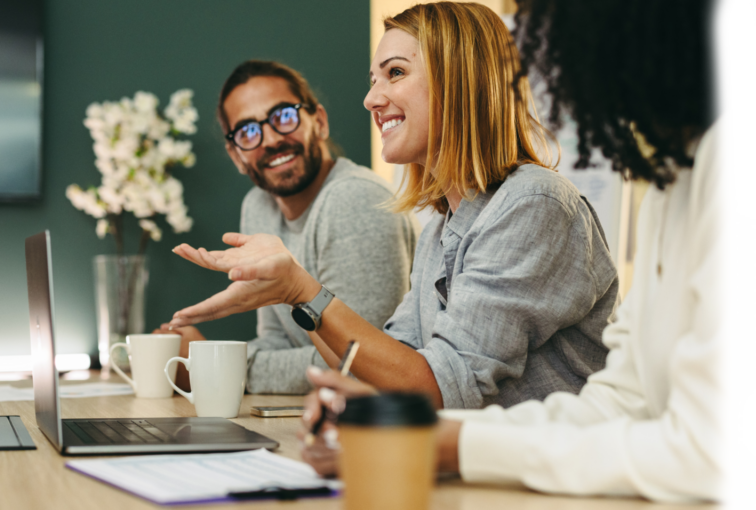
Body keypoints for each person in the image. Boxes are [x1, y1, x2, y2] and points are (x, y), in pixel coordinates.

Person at [300, 0, 754, 503]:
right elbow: (621, 401)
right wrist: (414, 431)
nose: (549, 61)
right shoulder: (677, 183)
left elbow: (726, 454)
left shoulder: (541, 200)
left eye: (396, 73)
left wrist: (451, 446)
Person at [167, 3, 617, 410]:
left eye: (395, 73)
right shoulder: (443, 228)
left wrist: (300, 290)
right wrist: (292, 297)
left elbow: (440, 386)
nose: (371, 99)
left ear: (458, 78)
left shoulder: (533, 204)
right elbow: (382, 367)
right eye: (373, 80)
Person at [156, 60, 417, 394]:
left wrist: (213, 366)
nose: (270, 139)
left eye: (283, 116)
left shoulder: (355, 199)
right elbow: (276, 342)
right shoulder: (258, 206)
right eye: (248, 131)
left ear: (319, 122)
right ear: (236, 156)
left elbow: (359, 367)